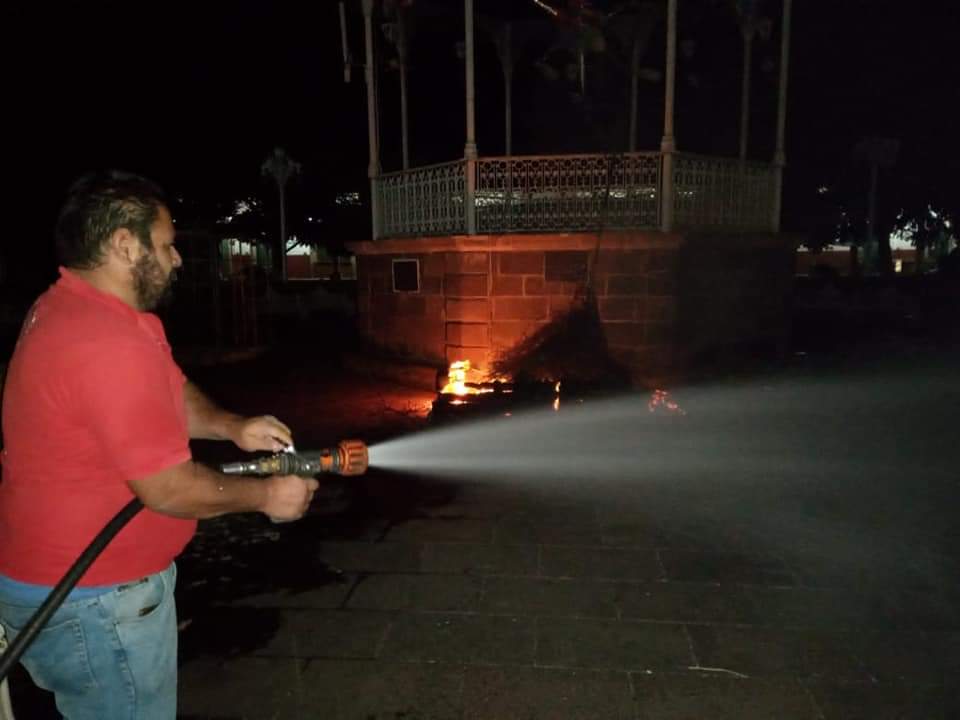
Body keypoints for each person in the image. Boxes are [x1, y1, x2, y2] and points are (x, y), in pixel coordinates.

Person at [0, 171, 318, 720]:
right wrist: (268, 497)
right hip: (95, 601)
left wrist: (231, 426)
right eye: (167, 244)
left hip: (73, 588)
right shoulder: (106, 342)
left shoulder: (84, 312)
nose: (176, 260)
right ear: (125, 245)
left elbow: (169, 390)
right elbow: (167, 487)